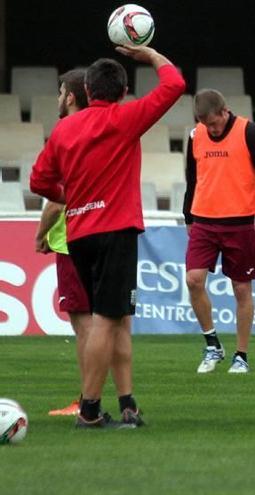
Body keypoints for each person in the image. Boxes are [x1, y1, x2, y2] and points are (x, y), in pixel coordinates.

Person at [30, 45, 186, 428]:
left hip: (80, 235)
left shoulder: (65, 128)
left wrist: (74, 198)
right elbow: (176, 83)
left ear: (86, 86)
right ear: (123, 90)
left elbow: (39, 181)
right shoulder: (126, 118)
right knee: (106, 319)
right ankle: (89, 410)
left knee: (113, 320)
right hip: (115, 229)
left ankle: (127, 402)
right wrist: (148, 53)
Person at [34, 69, 126, 417]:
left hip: (71, 238)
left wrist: (41, 234)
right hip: (105, 232)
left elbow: (57, 198)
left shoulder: (66, 135)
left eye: (61, 91)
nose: (59, 98)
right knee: (108, 321)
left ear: (72, 96)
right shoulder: (102, 133)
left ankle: (88, 401)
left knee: (85, 322)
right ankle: (111, 400)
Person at [183, 89, 255, 374]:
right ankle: (212, 344)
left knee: (241, 289)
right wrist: (188, 214)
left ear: (225, 112)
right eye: (206, 124)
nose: (210, 129)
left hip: (239, 222)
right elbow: (192, 177)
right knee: (193, 280)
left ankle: (241, 355)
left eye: (214, 123)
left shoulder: (247, 131)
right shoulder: (195, 135)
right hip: (204, 220)